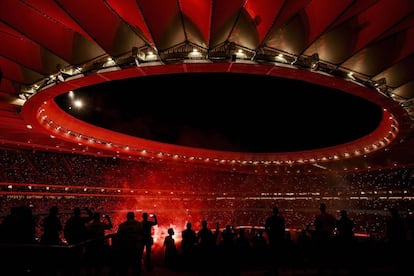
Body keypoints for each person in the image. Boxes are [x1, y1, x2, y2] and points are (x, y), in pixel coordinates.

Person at [115, 211, 145, 276]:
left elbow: (118, 236)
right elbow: (143, 235)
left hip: (125, 248)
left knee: (125, 266)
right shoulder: (139, 224)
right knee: (136, 266)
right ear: (134, 217)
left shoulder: (122, 225)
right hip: (136, 248)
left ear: (127, 217)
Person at [264, 206, 286, 273]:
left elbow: (266, 228)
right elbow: (283, 229)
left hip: (272, 238)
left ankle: (272, 267)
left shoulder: (269, 219)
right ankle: (276, 267)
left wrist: (270, 234)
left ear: (273, 211)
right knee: (277, 253)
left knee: (272, 253)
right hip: (278, 238)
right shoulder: (281, 219)